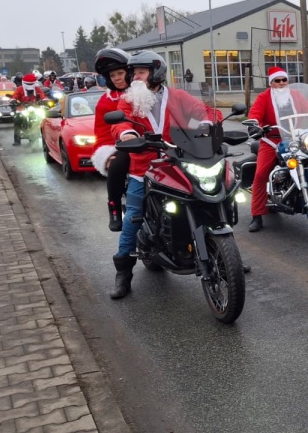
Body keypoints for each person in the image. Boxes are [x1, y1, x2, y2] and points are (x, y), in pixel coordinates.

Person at [108, 50, 222, 299]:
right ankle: (123, 273)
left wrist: (209, 123)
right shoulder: (129, 100)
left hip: (178, 163)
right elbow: (121, 123)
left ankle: (225, 254)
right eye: (133, 72)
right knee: (134, 216)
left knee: (211, 199)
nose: (134, 76)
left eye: (140, 72)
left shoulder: (178, 96)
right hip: (143, 167)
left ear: (156, 72)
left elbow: (206, 111)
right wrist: (126, 134)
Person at [245, 65, 292, 233]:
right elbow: (255, 113)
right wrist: (254, 126)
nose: (281, 83)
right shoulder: (264, 97)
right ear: (271, 83)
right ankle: (257, 215)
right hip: (271, 140)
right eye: (277, 81)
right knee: (260, 174)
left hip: (294, 138)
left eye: (284, 80)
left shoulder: (295, 95)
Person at [90, 48, 132, 231]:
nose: (116, 78)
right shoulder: (105, 102)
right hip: (121, 146)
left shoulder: (145, 93)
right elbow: (101, 132)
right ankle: (114, 207)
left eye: (120, 73)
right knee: (118, 164)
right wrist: (107, 156)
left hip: (151, 143)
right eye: (112, 75)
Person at [11, 74, 47, 145]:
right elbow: (14, 96)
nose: (29, 85)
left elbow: (43, 96)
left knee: (45, 118)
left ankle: (46, 136)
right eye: (28, 84)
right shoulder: (20, 89)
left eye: (31, 83)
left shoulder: (37, 89)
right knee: (17, 120)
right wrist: (13, 100)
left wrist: (45, 100)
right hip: (22, 108)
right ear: (24, 82)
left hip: (35, 108)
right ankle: (17, 140)